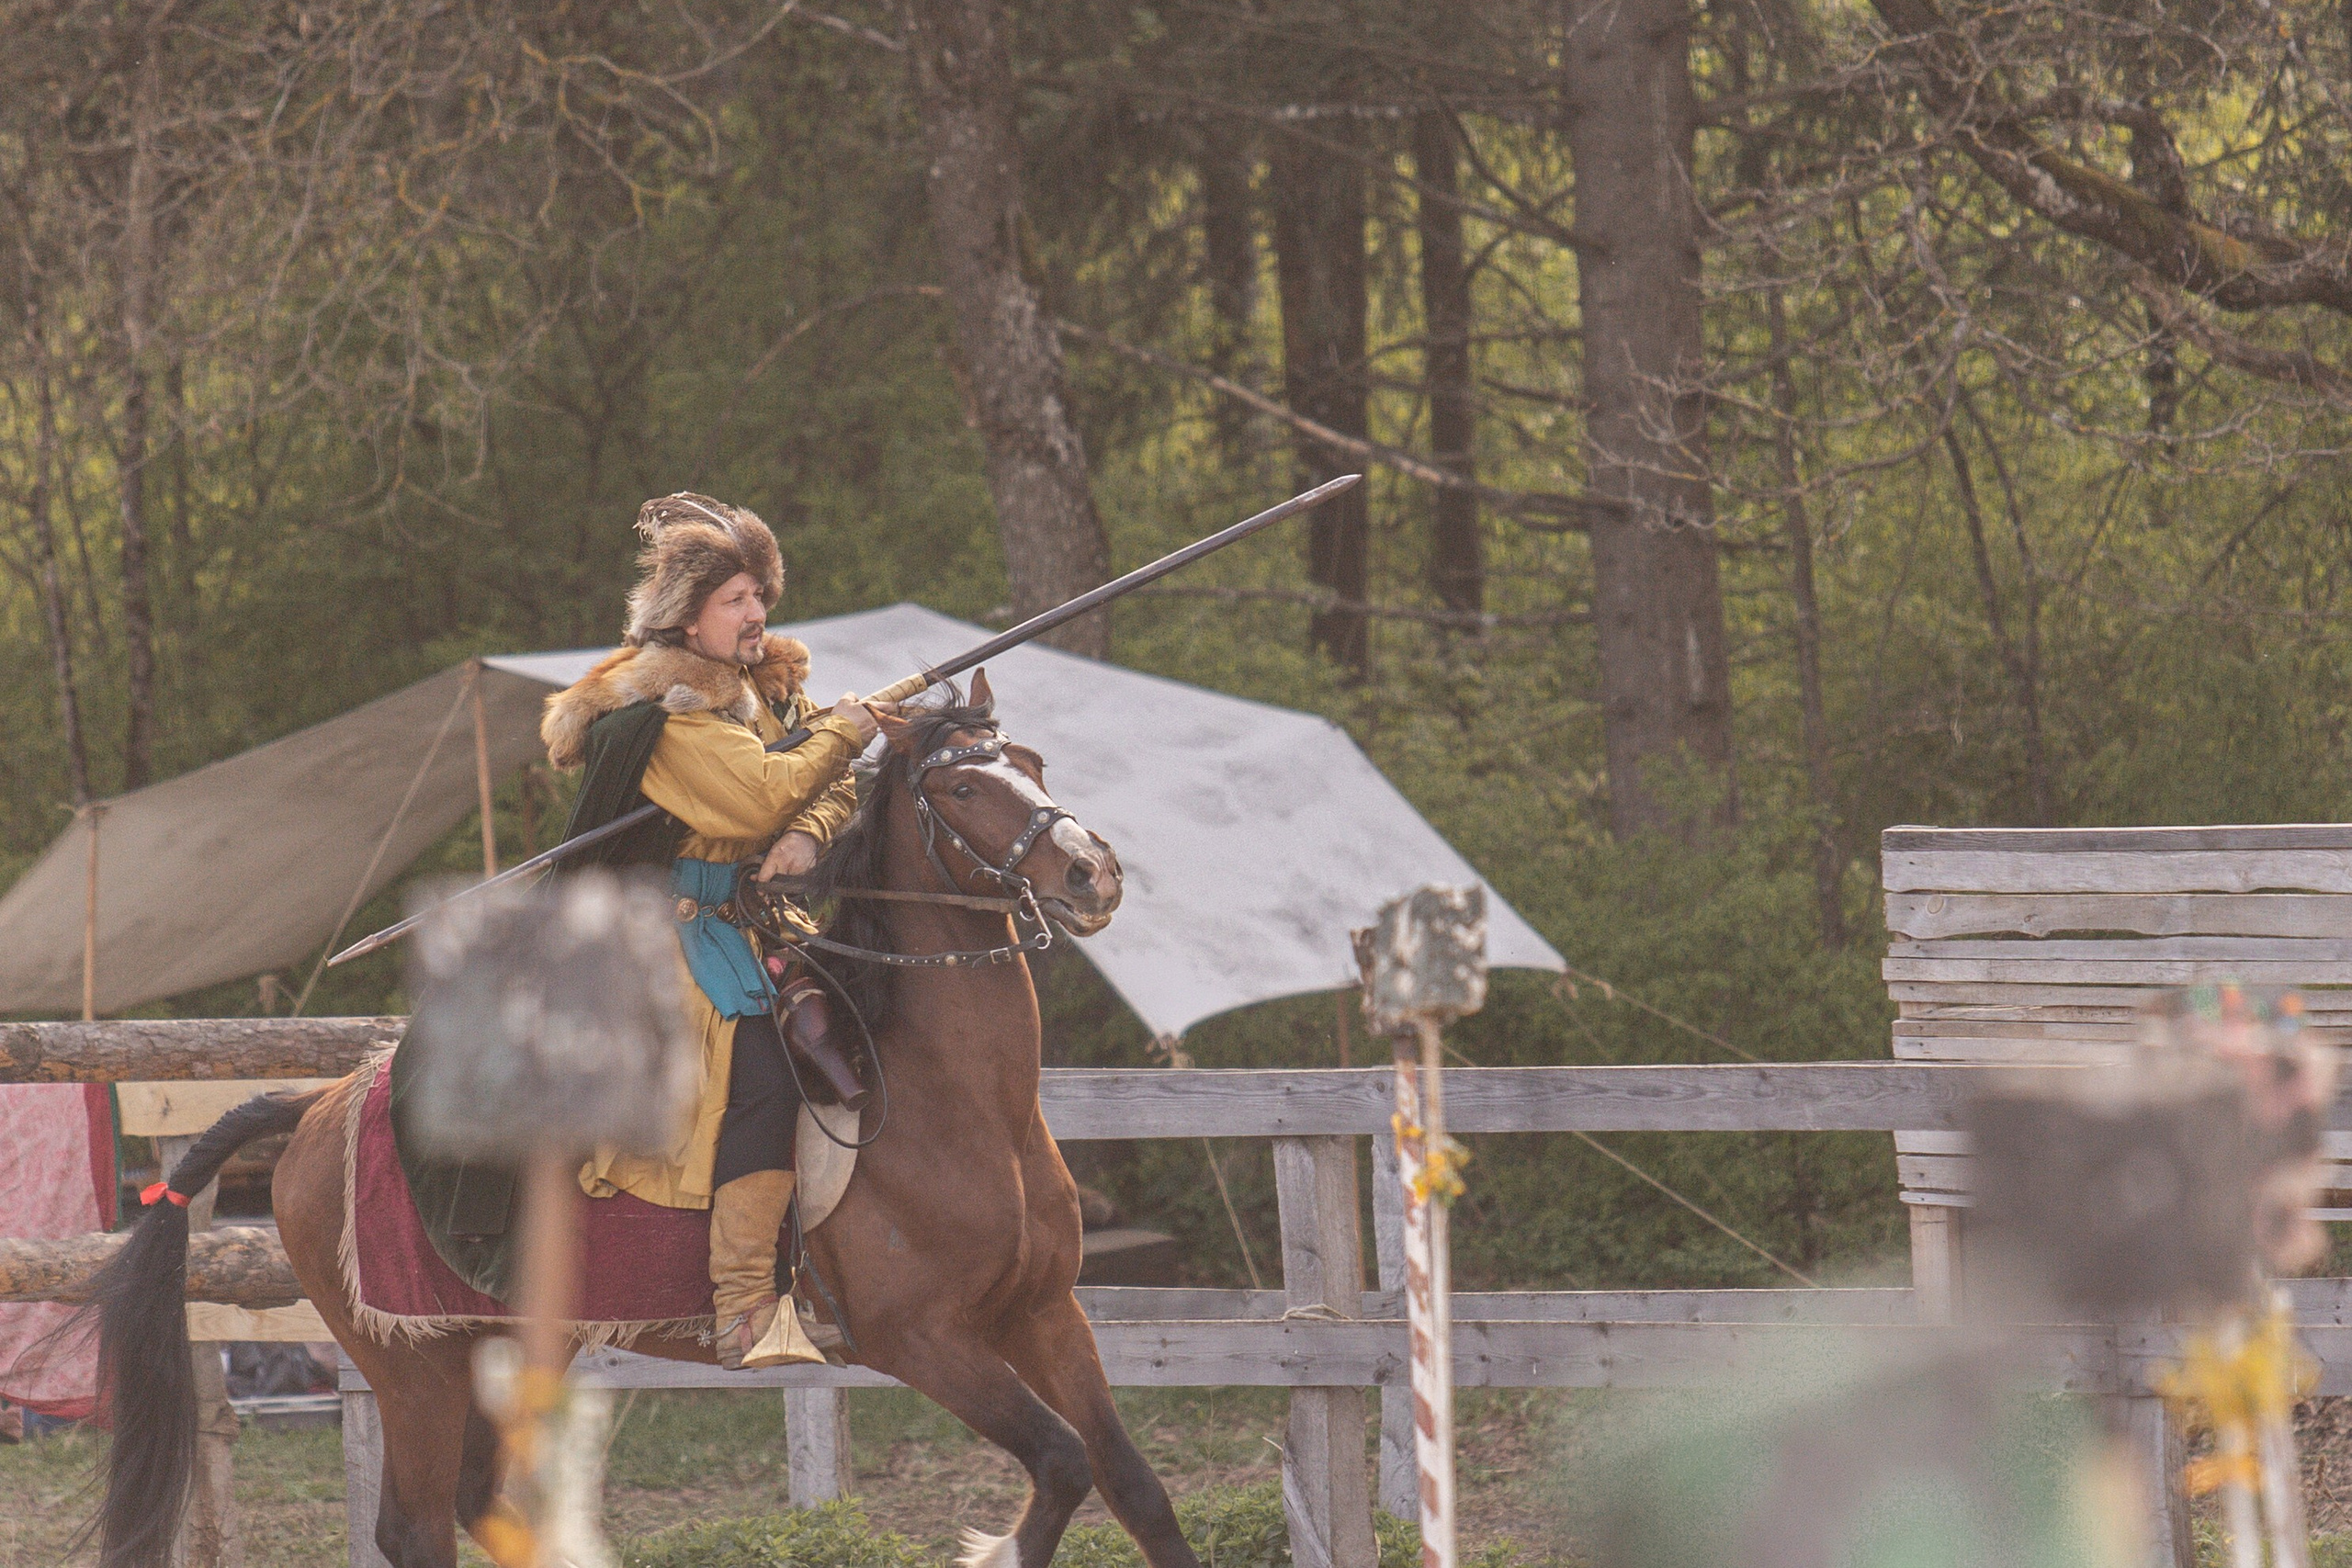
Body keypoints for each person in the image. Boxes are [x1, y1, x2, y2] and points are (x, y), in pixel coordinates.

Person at [539, 492, 880, 1369]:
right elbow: (766, 790)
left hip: (754, 921)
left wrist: (809, 827)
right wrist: (847, 730)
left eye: (761, 595)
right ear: (690, 618)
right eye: (736, 599)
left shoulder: (763, 695)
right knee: (765, 1070)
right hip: (668, 937)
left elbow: (818, 783)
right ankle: (744, 1307)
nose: (758, 612)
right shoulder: (671, 715)